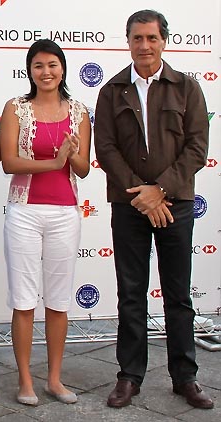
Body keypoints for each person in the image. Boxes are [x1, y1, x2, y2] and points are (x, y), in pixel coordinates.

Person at [94, 9, 213, 410]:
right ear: (127, 41)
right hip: (129, 206)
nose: (144, 46)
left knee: (178, 295)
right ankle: (129, 376)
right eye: (137, 38)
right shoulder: (111, 90)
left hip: (175, 204)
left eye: (151, 38)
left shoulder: (187, 88)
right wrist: (140, 195)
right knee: (131, 293)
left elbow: (197, 147)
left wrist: (159, 190)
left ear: (164, 41)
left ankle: (186, 377)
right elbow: (106, 147)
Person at [0, 39, 91, 406]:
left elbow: (82, 169)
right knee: (23, 301)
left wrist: (71, 153)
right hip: (23, 211)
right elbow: (9, 162)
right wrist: (53, 163)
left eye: (52, 64)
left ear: (63, 69)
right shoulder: (15, 108)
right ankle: (25, 380)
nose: (46, 72)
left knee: (58, 301)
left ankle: (54, 378)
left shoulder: (80, 111)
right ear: (30, 71)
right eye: (38, 65)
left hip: (65, 212)